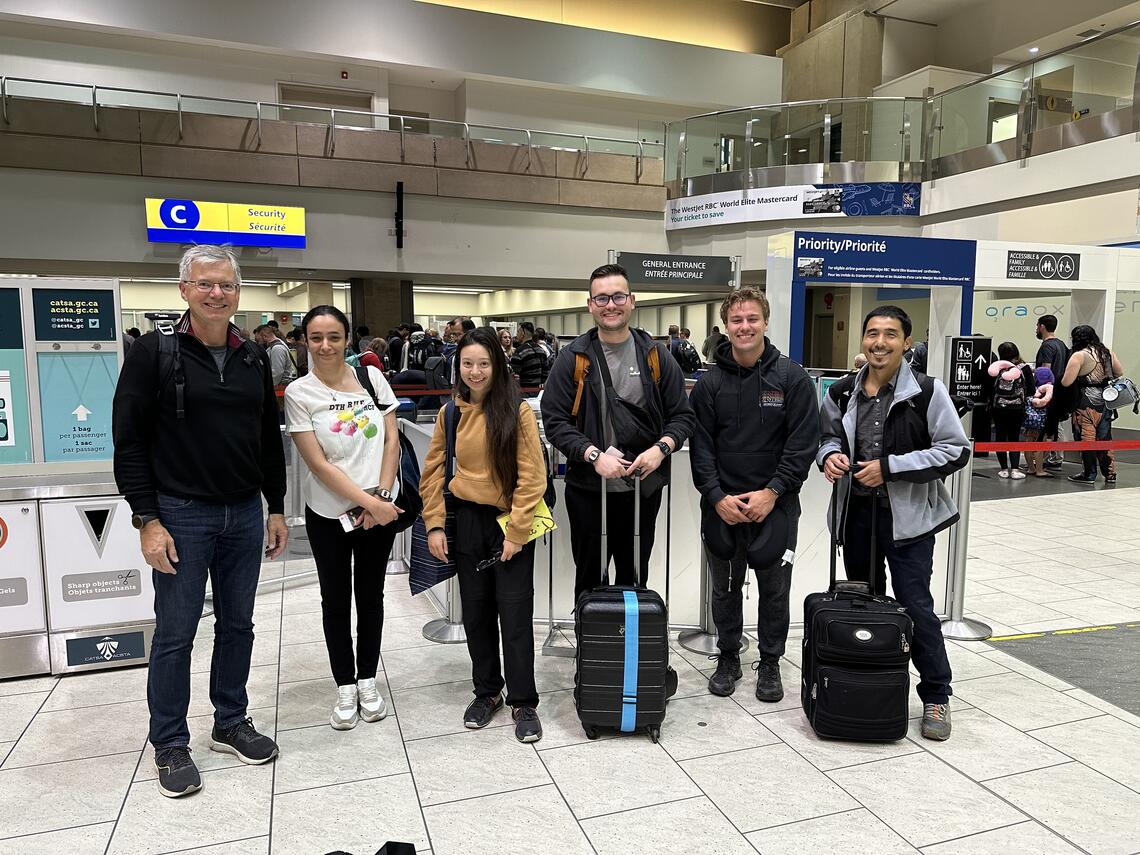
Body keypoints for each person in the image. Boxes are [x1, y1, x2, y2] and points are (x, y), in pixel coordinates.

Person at [113, 245, 287, 798]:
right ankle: (168, 741)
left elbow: (266, 440)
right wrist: (146, 518)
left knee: (238, 625)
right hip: (180, 514)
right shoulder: (153, 353)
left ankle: (229, 719)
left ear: (239, 293)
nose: (217, 294)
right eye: (206, 284)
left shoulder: (253, 358)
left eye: (227, 285)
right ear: (184, 289)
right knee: (176, 632)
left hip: (243, 513)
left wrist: (276, 505)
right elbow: (129, 441)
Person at [818, 305, 969, 742]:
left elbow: (953, 450)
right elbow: (827, 435)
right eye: (871, 334)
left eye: (890, 334)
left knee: (915, 606)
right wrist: (829, 456)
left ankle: (936, 693)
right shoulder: (844, 391)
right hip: (857, 514)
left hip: (909, 521)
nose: (879, 343)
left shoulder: (926, 391)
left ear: (906, 342)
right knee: (864, 603)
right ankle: (873, 681)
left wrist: (890, 467)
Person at [689, 288, 819, 701]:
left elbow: (802, 445)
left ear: (765, 321)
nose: (744, 327)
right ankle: (728, 656)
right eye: (736, 320)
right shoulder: (709, 383)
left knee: (774, 588)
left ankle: (770, 661)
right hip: (721, 505)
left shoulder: (791, 378)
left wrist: (773, 492)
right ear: (726, 326)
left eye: (752, 319)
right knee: (724, 587)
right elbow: (701, 446)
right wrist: (715, 495)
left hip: (775, 506)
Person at [541, 264, 695, 603]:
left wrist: (661, 449)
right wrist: (593, 455)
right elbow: (555, 422)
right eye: (602, 298)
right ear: (591, 305)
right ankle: (593, 649)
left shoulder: (656, 356)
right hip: (588, 490)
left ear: (632, 300)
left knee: (634, 576)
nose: (611, 304)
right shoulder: (573, 359)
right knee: (589, 577)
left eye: (618, 296)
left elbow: (682, 417)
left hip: (641, 489)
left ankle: (629, 652)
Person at [421, 327, 547, 742]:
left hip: (509, 523)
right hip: (467, 522)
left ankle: (523, 701)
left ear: (498, 365)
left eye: (484, 364)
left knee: (514, 615)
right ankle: (487, 691)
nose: (475, 372)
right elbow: (434, 472)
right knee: (475, 614)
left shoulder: (518, 410)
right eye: (468, 363)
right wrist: (435, 523)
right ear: (458, 366)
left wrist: (517, 531)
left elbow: (533, 476)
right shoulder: (450, 414)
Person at [285, 305, 402, 731]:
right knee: (335, 601)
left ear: (347, 338)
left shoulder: (372, 377)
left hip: (377, 513)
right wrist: (369, 503)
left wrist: (383, 496)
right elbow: (319, 465)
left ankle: (368, 678)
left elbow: (391, 441)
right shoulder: (300, 393)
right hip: (329, 516)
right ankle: (345, 684)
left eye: (334, 336)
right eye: (316, 337)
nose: (325, 345)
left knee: (371, 597)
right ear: (304, 340)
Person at [1061, 325, 1123, 485]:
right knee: (1105, 439)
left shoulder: (1079, 356)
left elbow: (1066, 382)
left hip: (1085, 403)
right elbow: (1119, 372)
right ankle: (1110, 473)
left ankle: (1089, 474)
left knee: (1086, 438)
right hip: (1106, 402)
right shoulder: (1106, 352)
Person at [987, 341, 1035, 481]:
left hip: (998, 409)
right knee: (1014, 437)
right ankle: (1015, 469)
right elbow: (1031, 390)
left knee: (1000, 437)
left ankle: (1003, 469)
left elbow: (990, 389)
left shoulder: (996, 368)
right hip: (1017, 408)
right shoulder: (1023, 368)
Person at [1035, 314, 1069, 470]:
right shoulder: (1061, 345)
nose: (1036, 329)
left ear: (1042, 326)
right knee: (1057, 424)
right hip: (1061, 390)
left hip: (1049, 391)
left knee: (1051, 425)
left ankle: (1052, 457)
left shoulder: (1047, 346)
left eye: (1037, 326)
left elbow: (1045, 371)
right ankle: (1054, 456)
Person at [1024, 366, 1054, 477]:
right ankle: (1040, 470)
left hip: (1029, 422)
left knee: (1028, 444)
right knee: (1039, 446)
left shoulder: (1032, 389)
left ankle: (1031, 468)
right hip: (1041, 423)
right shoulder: (1049, 390)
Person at [510, 321, 549, 392]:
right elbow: (545, 373)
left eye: (518, 332)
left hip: (523, 391)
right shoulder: (541, 350)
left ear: (523, 333)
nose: (516, 334)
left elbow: (513, 374)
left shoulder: (520, 351)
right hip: (538, 391)